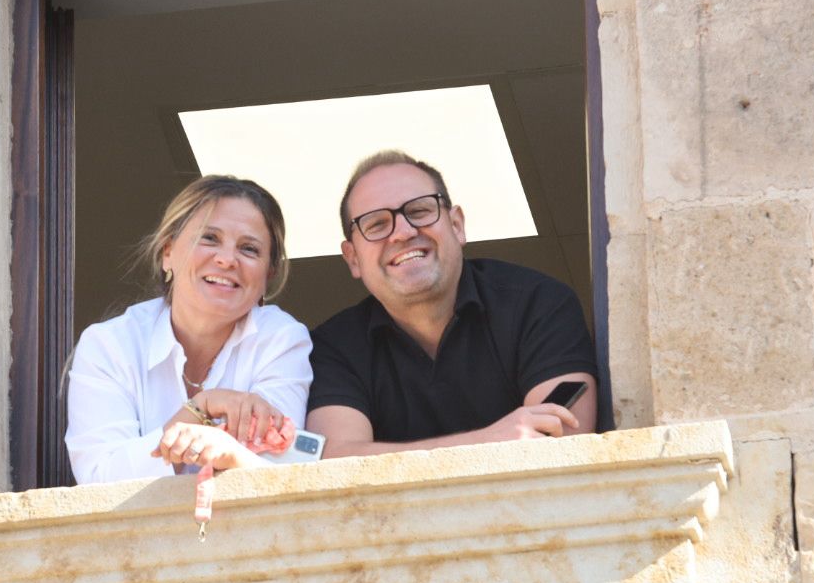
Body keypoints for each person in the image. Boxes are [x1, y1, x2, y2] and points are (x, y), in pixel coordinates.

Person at [307, 150, 599, 458]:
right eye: (377, 224)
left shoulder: (538, 303)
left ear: (457, 225)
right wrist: (489, 441)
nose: (403, 232)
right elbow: (334, 462)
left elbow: (563, 447)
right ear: (352, 258)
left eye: (419, 211)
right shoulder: (331, 347)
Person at [65, 176, 312, 483]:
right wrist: (201, 408)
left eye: (249, 249)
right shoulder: (109, 344)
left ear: (267, 274)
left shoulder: (282, 339)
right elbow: (98, 480)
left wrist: (232, 455)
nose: (226, 259)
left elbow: (284, 474)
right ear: (168, 251)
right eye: (209, 238)